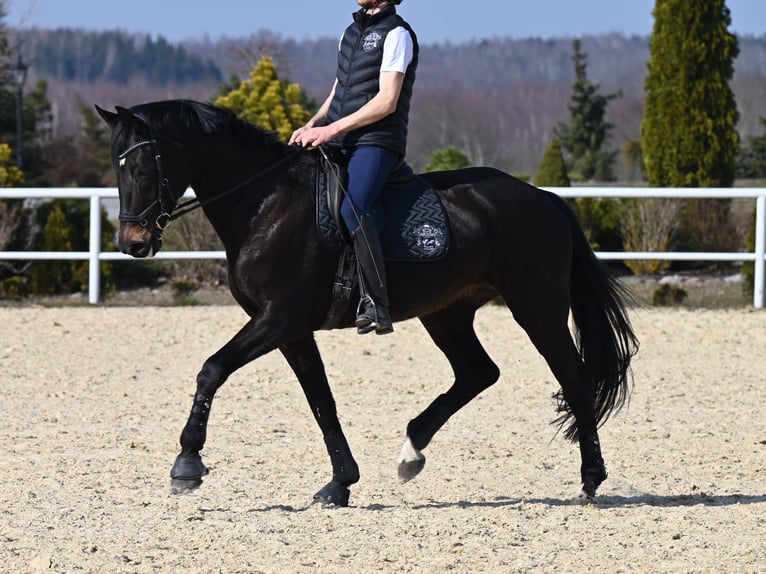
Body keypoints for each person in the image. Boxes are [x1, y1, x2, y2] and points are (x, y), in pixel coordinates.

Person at [289, 0, 418, 335]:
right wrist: (313, 123)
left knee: (353, 209)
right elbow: (339, 89)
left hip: (375, 142)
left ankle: (377, 303)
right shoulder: (350, 32)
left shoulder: (398, 34)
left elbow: (387, 101)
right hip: (340, 139)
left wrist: (331, 129)